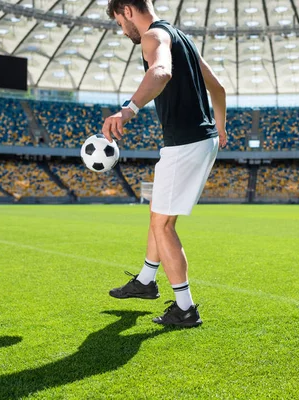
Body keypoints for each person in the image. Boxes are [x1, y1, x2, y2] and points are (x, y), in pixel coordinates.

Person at [102, 0, 227, 327]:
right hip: (201, 138)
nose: (121, 30)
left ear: (128, 10)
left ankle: (185, 309)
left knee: (163, 225)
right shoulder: (180, 38)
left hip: (186, 142)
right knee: (158, 213)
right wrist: (221, 125)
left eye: (119, 22)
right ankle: (145, 281)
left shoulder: (152, 38)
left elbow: (161, 71)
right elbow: (218, 86)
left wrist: (127, 109)